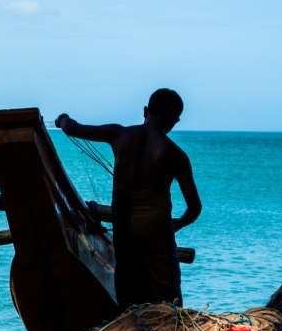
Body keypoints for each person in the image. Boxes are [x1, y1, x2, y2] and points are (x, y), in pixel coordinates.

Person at [55, 88, 202, 308]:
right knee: (168, 299)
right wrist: (177, 225)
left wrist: (62, 119)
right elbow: (194, 208)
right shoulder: (175, 154)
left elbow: (72, 129)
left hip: (125, 229)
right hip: (157, 233)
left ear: (145, 111)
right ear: (174, 120)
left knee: (128, 291)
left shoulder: (119, 134)